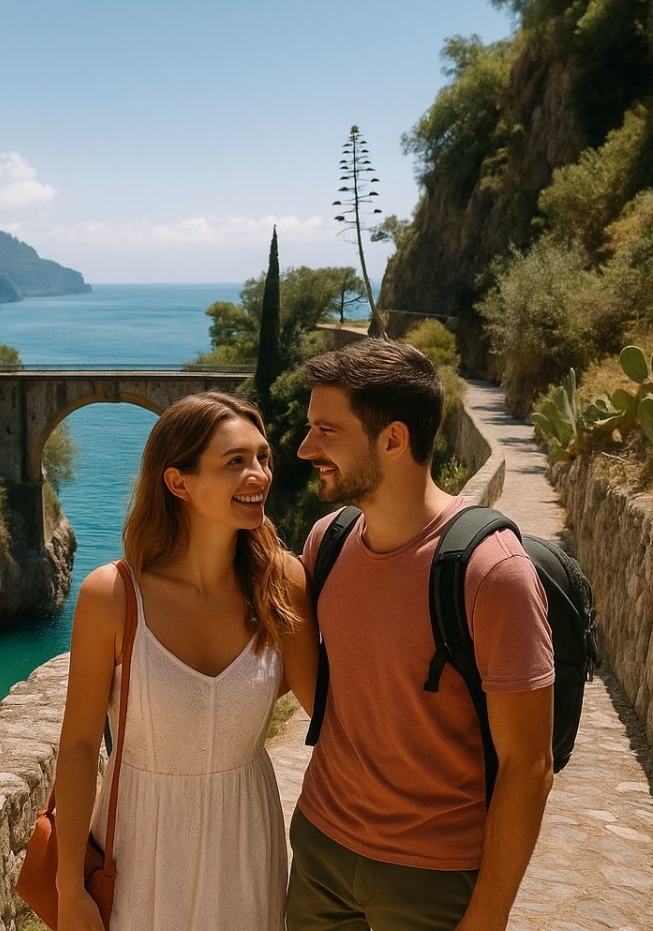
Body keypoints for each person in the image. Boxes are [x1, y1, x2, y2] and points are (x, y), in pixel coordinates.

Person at [287, 338, 555, 931]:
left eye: (326, 431)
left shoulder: (492, 573)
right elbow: (333, 699)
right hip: (320, 853)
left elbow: (529, 764)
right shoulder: (325, 543)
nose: (306, 448)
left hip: (432, 879)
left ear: (393, 439)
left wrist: (486, 918)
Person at [54, 391, 318, 931]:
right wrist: (68, 887)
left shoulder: (283, 584)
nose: (260, 475)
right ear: (178, 483)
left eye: (263, 458)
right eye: (235, 462)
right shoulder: (115, 596)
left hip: (246, 844)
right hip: (138, 847)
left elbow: (328, 712)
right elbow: (80, 746)